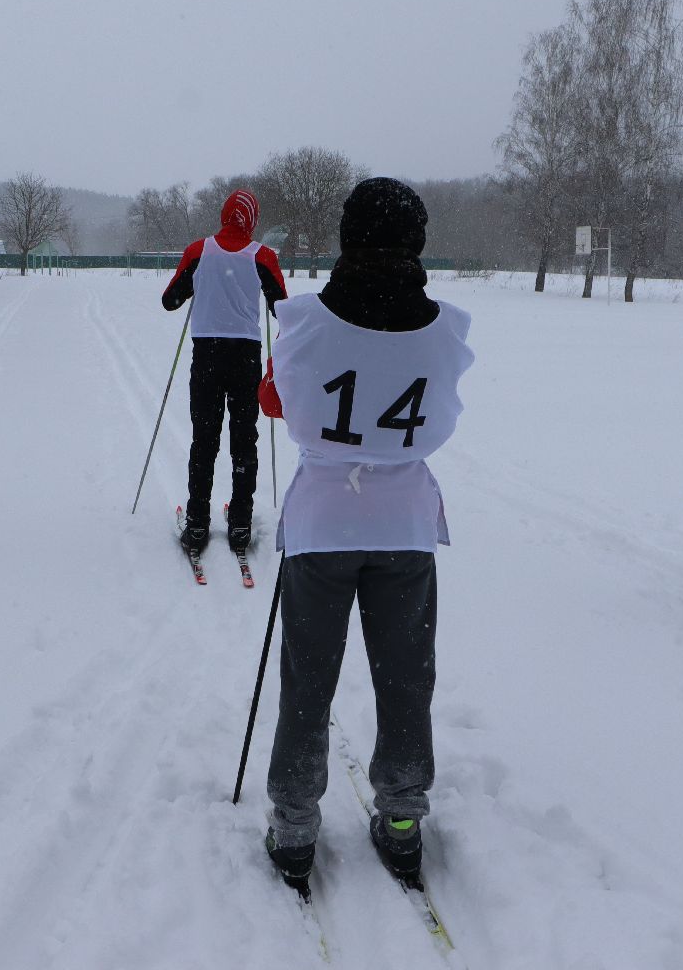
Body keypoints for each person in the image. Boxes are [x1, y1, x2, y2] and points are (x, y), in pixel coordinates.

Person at [257, 177, 474, 894]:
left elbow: (277, 401)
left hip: (322, 525)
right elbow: (443, 420)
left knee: (308, 678)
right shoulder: (447, 328)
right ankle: (403, 815)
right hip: (404, 525)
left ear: (349, 237)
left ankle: (295, 826)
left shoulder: (304, 320)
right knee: (406, 676)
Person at [161, 189, 286, 553]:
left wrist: (200, 285)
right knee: (244, 439)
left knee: (204, 439)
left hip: (207, 355)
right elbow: (283, 309)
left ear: (224, 215)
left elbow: (170, 301)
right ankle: (241, 524)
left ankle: (198, 524)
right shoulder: (262, 256)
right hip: (245, 356)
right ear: (252, 219)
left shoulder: (199, 251)